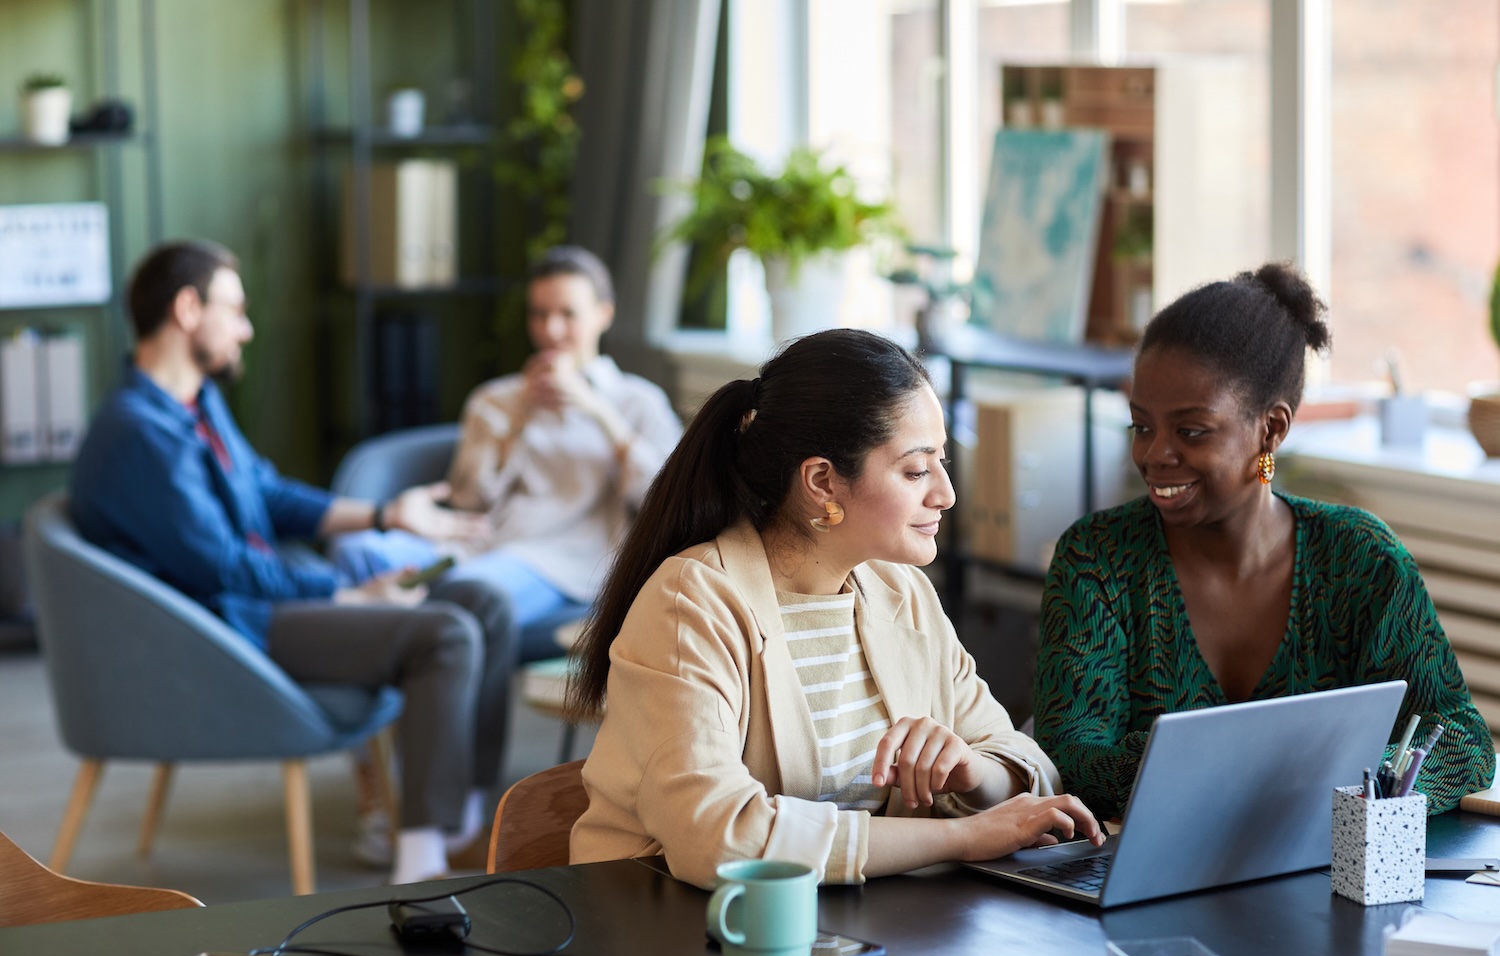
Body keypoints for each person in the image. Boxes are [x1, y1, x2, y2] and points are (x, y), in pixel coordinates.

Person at [568, 328, 1102, 889]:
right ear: (823, 481)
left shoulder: (902, 593)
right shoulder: (694, 602)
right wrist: (962, 837)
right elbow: (720, 836)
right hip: (669, 937)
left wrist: (973, 774)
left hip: (853, 935)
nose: (945, 493)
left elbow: (1029, 764)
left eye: (941, 462)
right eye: (917, 470)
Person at [70, 239, 515, 884]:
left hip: (260, 599)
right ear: (188, 308)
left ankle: (472, 822)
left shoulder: (195, 403)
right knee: (442, 634)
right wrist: (346, 590)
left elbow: (267, 493)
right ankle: (421, 862)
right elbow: (222, 568)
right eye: (237, 309)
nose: (246, 329)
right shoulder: (138, 433)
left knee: (485, 604)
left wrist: (387, 514)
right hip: (230, 628)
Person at [1032, 262, 1495, 820]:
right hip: (1146, 885)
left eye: (1191, 430)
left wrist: (1228, 768)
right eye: (1142, 425)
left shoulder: (1362, 561)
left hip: (1322, 882)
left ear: (1271, 429)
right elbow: (1070, 759)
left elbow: (1461, 742)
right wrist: (1299, 769)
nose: (1154, 454)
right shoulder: (1097, 558)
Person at [328, 245, 682, 661]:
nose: (551, 330)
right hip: (479, 546)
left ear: (603, 314)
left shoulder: (637, 401)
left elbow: (663, 501)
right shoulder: (496, 399)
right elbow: (468, 499)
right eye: (539, 313)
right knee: (357, 553)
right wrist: (518, 419)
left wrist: (598, 412)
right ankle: (374, 700)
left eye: (568, 314)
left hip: (563, 562)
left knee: (466, 590)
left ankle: (417, 692)